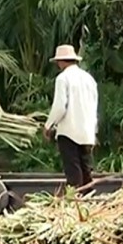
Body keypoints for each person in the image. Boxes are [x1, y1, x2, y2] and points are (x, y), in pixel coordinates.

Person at [43, 44, 99, 192]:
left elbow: (60, 107)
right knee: (86, 169)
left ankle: (75, 200)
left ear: (61, 62)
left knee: (73, 170)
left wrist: (49, 125)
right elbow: (94, 106)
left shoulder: (62, 78)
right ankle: (89, 199)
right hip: (87, 131)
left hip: (69, 131)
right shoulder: (89, 79)